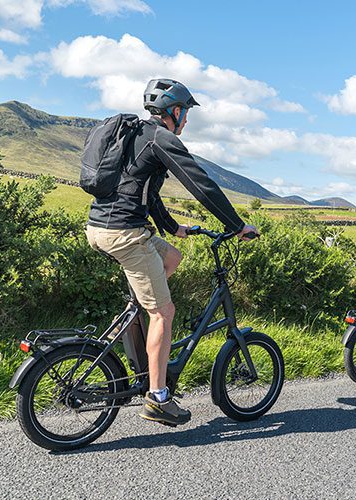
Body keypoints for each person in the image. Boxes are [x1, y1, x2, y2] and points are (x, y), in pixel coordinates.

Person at [85, 78, 258, 426]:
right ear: (174, 111)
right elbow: (200, 183)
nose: (187, 121)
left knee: (172, 257)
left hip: (102, 228)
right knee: (164, 311)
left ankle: (141, 319)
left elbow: (146, 192)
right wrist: (237, 225)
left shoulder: (134, 136)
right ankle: (158, 397)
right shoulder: (160, 139)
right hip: (125, 234)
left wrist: (174, 228)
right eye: (186, 113)